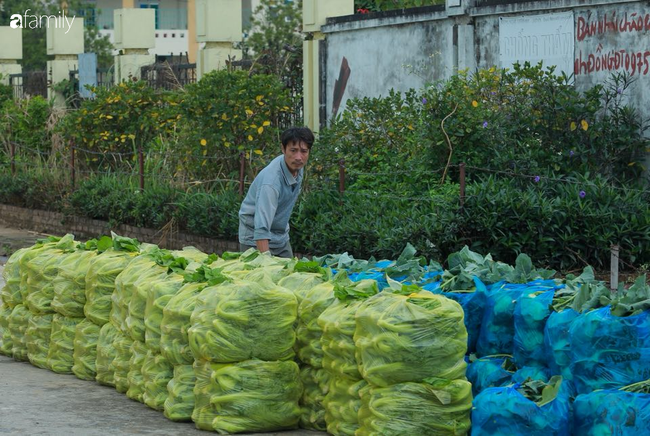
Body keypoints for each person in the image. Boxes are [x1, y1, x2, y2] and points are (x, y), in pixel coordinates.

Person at [238, 126, 314, 258]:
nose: (298, 157)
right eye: (293, 150)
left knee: (291, 276)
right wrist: (266, 263)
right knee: (262, 277)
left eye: (304, 151)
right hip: (254, 240)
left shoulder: (297, 168)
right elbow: (261, 227)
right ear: (283, 149)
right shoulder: (271, 182)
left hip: (280, 238)